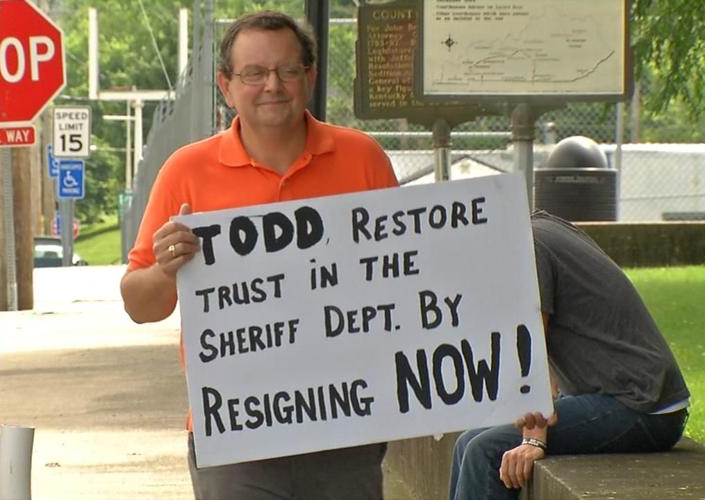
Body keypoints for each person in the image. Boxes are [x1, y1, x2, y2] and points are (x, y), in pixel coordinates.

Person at [119, 10, 398, 500]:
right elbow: (140, 306)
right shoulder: (187, 170)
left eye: (287, 71)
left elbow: (407, 279)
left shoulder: (363, 159)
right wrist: (167, 269)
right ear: (227, 87)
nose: (273, 85)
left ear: (309, 78)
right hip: (234, 431)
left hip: (347, 421)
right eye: (254, 73)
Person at [449, 210, 690, 500]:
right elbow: (548, 347)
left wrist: (533, 439)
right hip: (620, 394)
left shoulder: (529, 246)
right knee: (467, 441)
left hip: (643, 405)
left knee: (485, 451)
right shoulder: (542, 228)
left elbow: (532, 344)